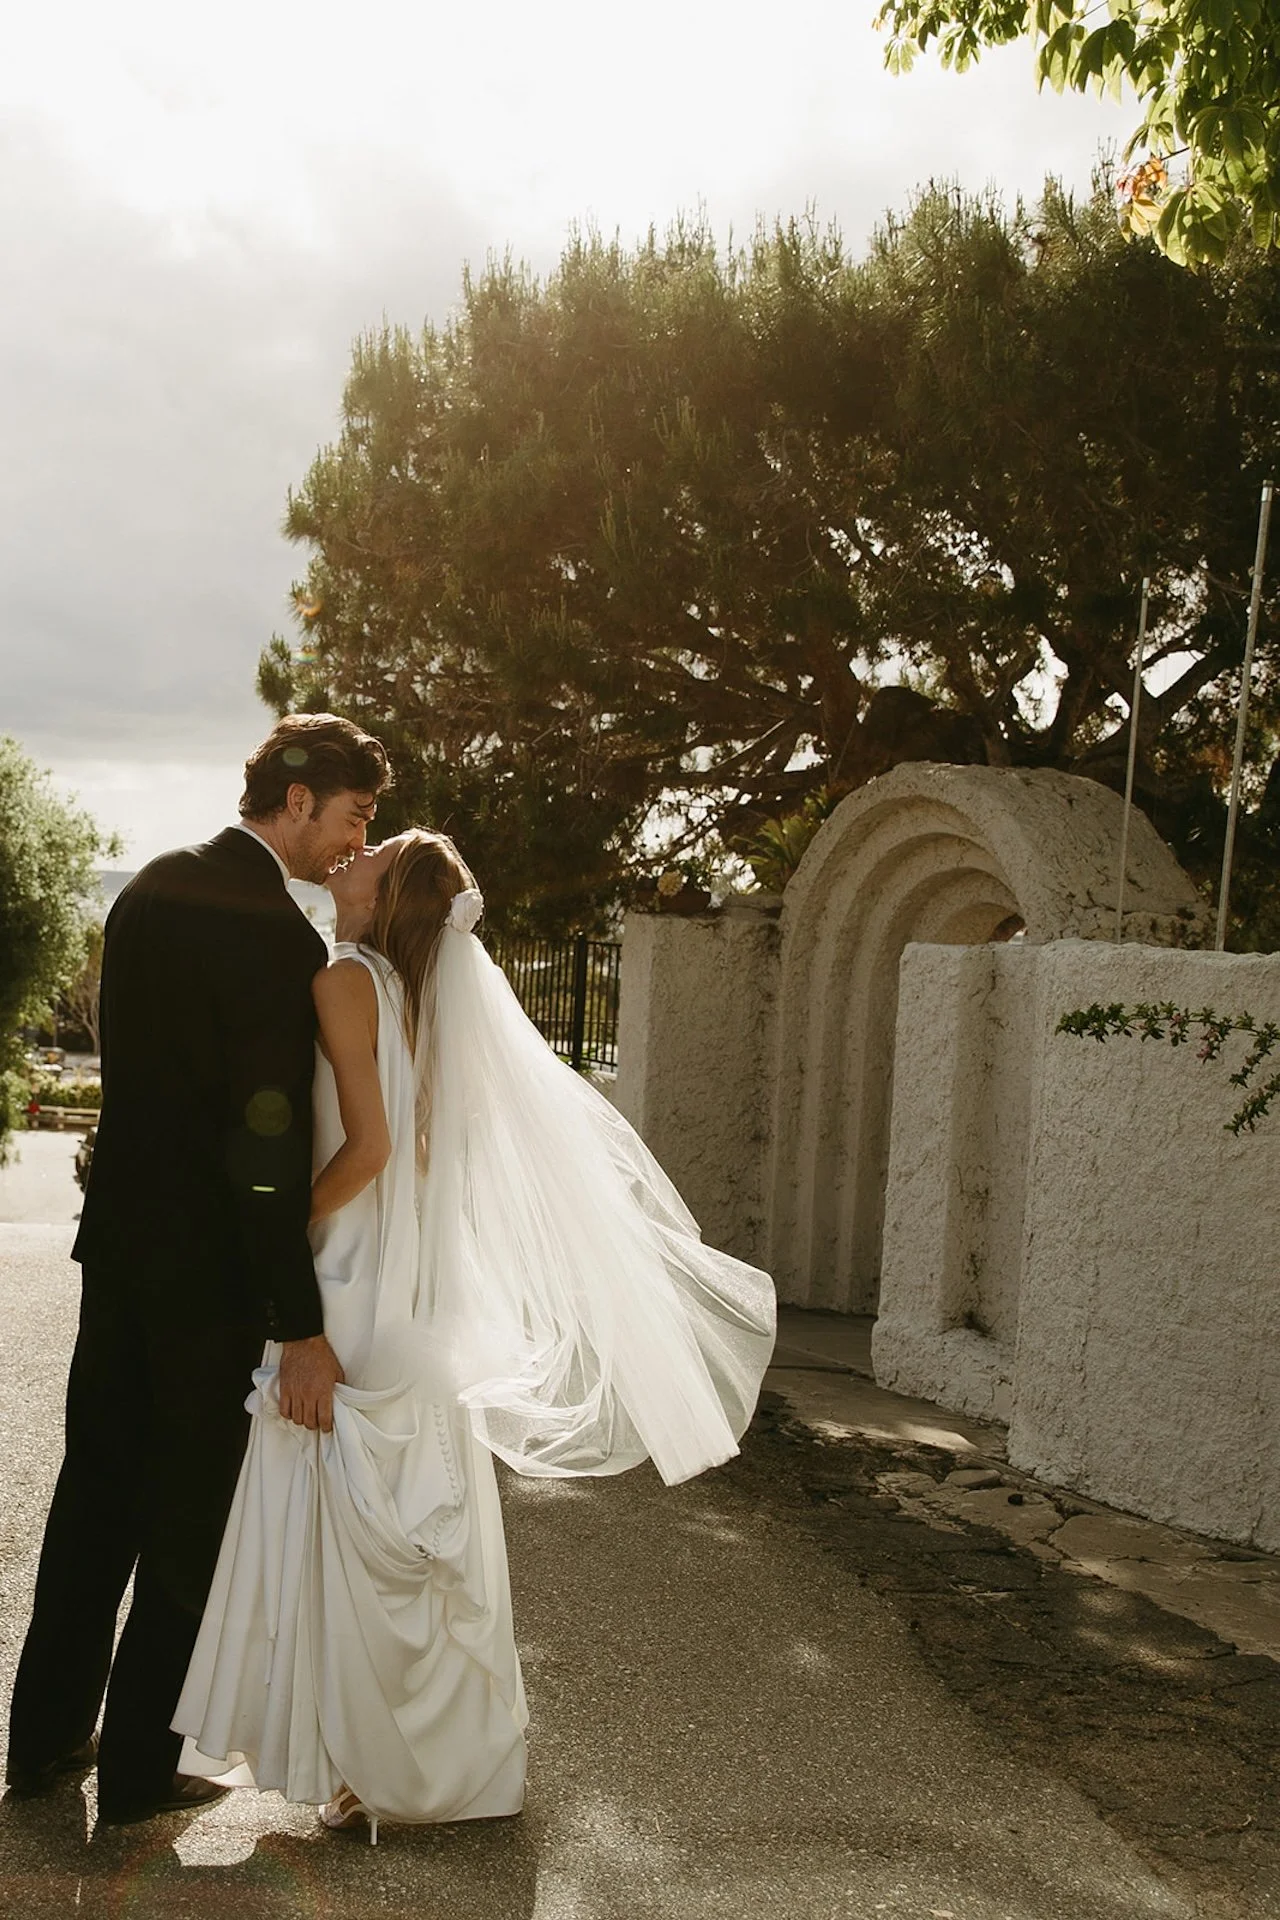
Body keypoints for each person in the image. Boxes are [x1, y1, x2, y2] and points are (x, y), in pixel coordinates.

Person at [174, 830, 777, 1840]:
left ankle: (380, 1767)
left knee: (355, 1535)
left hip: (357, 1285)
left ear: (390, 895)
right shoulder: (429, 1006)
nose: (348, 857)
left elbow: (363, 1149)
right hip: (422, 1303)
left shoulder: (345, 983)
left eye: (372, 854)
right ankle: (419, 1766)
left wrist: (276, 1240)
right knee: (410, 1528)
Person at [4, 713, 392, 1826]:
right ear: (299, 796)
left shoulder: (151, 890)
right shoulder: (273, 935)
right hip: (207, 1284)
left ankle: (40, 1747)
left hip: (118, 1253)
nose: (350, 842)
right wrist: (296, 1317)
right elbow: (263, 1147)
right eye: (352, 816)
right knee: (181, 1525)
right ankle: (132, 1776)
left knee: (92, 1503)